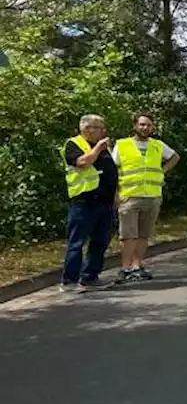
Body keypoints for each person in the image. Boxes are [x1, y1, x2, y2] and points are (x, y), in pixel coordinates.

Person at [112, 113, 180, 282]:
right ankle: (125, 268)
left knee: (143, 234)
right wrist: (115, 194)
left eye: (148, 125)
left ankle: (137, 266)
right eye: (142, 124)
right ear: (135, 126)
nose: (145, 128)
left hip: (152, 195)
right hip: (129, 196)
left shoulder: (157, 145)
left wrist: (161, 171)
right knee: (128, 235)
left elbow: (175, 157)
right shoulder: (123, 145)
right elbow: (112, 170)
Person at [60, 114, 118, 292]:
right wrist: (97, 149)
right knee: (77, 242)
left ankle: (90, 277)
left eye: (102, 128)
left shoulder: (102, 147)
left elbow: (110, 172)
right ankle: (69, 281)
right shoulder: (73, 144)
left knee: (100, 241)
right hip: (84, 202)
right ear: (87, 128)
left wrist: (115, 196)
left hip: (105, 202)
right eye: (100, 128)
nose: (103, 131)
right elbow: (83, 163)